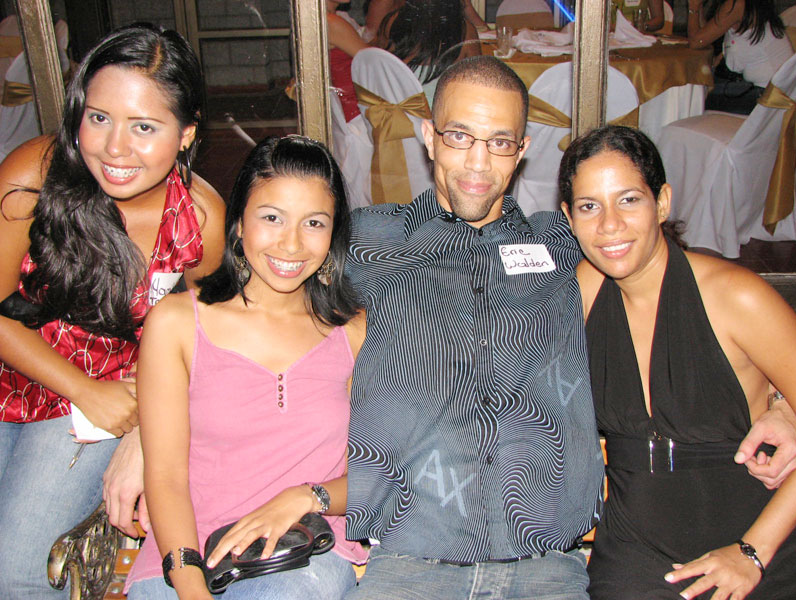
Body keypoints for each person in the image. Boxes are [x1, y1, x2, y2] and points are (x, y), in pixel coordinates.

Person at [344, 55, 604, 600]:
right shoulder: (366, 241)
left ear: (522, 150)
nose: (478, 162)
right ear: (429, 137)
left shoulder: (562, 243)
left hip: (544, 566)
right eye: (459, 136)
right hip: (410, 559)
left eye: (499, 142)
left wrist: (778, 398)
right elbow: (244, 293)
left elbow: (665, 275)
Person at [0, 24, 225, 598]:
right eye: (98, 117)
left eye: (144, 126)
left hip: (104, 400)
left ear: (186, 134)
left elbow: (213, 338)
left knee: (17, 574)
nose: (114, 147)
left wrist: (148, 429)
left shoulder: (198, 218)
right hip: (19, 365)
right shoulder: (34, 175)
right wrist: (82, 388)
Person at [557, 125, 796, 600]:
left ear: (662, 202)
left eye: (629, 200)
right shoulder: (581, 291)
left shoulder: (735, 297)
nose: (609, 225)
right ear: (568, 217)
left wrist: (752, 552)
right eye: (589, 206)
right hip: (635, 556)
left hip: (757, 546)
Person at [125, 135, 368, 600]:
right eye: (272, 218)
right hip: (184, 552)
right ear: (238, 223)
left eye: (314, 223)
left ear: (334, 234)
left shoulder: (353, 332)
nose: (291, 244)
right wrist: (190, 584)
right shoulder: (177, 324)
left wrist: (308, 496)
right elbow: (166, 477)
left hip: (301, 552)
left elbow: (387, 470)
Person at [688, 0, 791, 114]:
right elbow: (706, 36)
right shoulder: (749, 4)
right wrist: (699, 7)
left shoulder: (737, 5)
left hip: (768, 99)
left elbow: (696, 42)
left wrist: (693, 7)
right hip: (776, 92)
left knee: (696, 102)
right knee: (701, 91)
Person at [376, 0, 480, 105]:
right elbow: (478, 89)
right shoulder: (466, 31)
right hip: (442, 113)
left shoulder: (391, 22)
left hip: (397, 112)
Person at [364, 0, 485, 42]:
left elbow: (483, 31)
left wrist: (466, 6)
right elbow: (370, 47)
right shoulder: (384, 3)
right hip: (403, 77)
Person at [328, 0, 369, 123]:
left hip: (348, 110)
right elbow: (373, 61)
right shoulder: (332, 22)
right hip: (355, 113)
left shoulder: (330, 19)